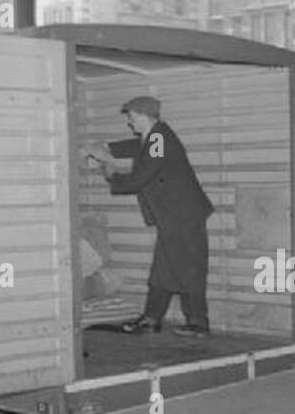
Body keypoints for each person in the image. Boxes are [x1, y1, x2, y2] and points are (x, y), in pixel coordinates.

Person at [88, 96, 214, 337]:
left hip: (183, 216)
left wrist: (111, 175)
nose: (129, 122)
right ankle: (151, 319)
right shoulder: (155, 137)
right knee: (163, 268)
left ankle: (198, 323)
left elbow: (141, 175)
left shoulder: (159, 138)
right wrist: (107, 148)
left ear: (145, 116)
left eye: (132, 117)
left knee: (188, 268)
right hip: (175, 216)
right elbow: (138, 147)